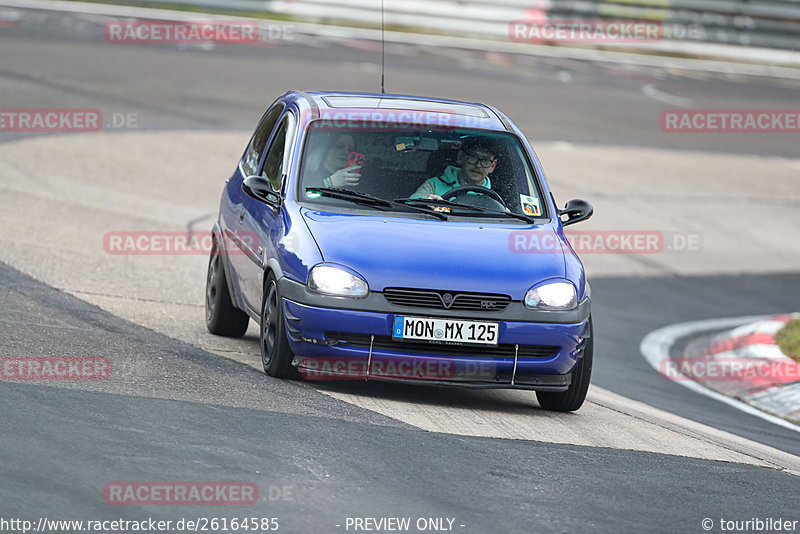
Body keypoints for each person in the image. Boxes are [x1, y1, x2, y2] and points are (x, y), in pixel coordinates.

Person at [411, 137, 498, 200]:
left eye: (485, 160)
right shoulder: (434, 185)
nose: (478, 165)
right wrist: (428, 204)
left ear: (492, 166)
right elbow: (411, 205)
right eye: (473, 157)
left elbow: (506, 218)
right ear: (460, 157)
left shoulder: (495, 198)